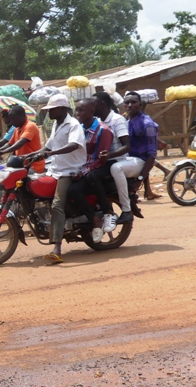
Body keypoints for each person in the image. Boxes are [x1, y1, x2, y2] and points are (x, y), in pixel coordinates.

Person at [30, 94, 86, 263]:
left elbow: (74, 145)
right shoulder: (57, 124)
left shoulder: (73, 124)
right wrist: (29, 155)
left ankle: (57, 248)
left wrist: (51, 153)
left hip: (69, 171)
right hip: (54, 169)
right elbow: (47, 146)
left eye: (52, 110)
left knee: (57, 205)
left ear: (62, 109)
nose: (49, 113)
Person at [67, 99, 116, 243]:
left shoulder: (103, 130)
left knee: (90, 176)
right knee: (72, 191)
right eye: (76, 110)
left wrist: (82, 171)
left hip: (99, 166)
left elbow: (102, 158)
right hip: (83, 167)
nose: (77, 113)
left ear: (91, 112)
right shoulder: (79, 129)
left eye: (81, 110)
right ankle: (94, 219)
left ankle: (108, 212)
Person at [111, 92, 158, 224]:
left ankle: (126, 211)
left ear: (141, 104)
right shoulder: (126, 120)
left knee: (116, 168)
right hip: (128, 160)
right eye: (127, 103)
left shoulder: (147, 123)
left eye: (133, 102)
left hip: (140, 161)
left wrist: (140, 179)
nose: (130, 105)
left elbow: (152, 155)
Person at [0, 105, 45, 173]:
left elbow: (20, 143)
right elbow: (9, 144)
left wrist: (2, 152)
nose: (12, 121)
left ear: (22, 116)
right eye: (11, 119)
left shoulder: (30, 126)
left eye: (14, 118)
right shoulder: (17, 128)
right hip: (20, 164)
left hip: (33, 165)